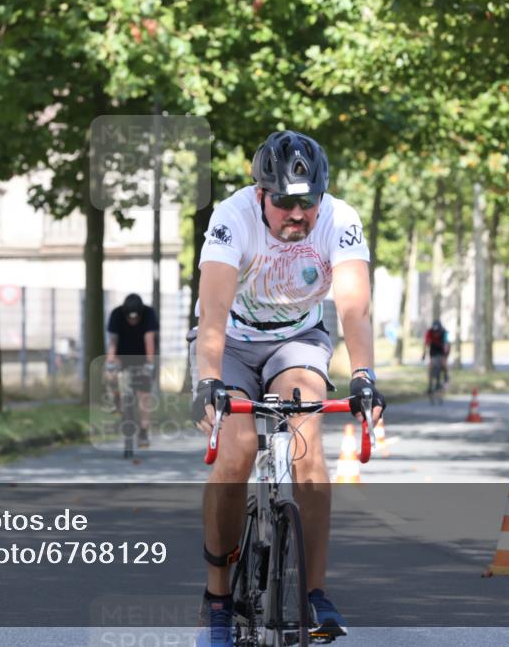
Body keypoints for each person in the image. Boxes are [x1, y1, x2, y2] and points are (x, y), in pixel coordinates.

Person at [191, 130, 386, 645]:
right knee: (236, 451)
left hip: (297, 339)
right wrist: (209, 379)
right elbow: (211, 312)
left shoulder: (341, 223)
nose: (297, 214)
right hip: (230, 341)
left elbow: (353, 307)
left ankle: (314, 593)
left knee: (309, 452)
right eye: (283, 202)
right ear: (260, 195)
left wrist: (363, 374)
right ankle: (216, 600)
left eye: (308, 202)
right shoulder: (232, 218)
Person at [106, 293, 159, 447]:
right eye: (130, 318)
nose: (133, 320)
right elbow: (113, 341)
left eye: (136, 318)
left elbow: (149, 339)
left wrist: (149, 364)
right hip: (121, 355)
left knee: (144, 395)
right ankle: (116, 401)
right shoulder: (116, 314)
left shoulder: (149, 314)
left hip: (143, 357)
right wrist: (110, 362)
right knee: (110, 373)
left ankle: (143, 431)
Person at [422, 319, 451, 390]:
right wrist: (424, 353)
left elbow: (446, 344)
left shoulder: (445, 332)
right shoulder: (429, 332)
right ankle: (430, 385)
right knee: (431, 365)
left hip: (443, 347)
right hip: (434, 348)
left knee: (444, 363)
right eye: (434, 331)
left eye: (437, 331)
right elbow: (426, 343)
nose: (436, 333)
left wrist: (445, 356)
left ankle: (446, 378)